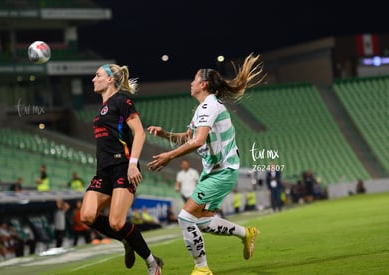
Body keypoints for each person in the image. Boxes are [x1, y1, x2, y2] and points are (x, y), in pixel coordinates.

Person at [147, 53, 264, 274]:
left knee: (185, 218)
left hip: (223, 172)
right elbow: (189, 137)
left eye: (194, 80)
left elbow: (198, 141)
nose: (190, 83)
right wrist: (163, 134)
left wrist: (170, 156)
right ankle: (246, 233)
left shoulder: (210, 106)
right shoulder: (202, 108)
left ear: (203, 84)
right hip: (214, 172)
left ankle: (202, 269)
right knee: (201, 222)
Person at [80, 63, 163, 274]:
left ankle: (153, 262)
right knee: (87, 216)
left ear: (110, 80)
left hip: (122, 167)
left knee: (117, 222)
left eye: (97, 75)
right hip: (103, 171)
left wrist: (133, 165)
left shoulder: (121, 100)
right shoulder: (102, 107)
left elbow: (140, 133)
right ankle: (127, 241)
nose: (93, 79)